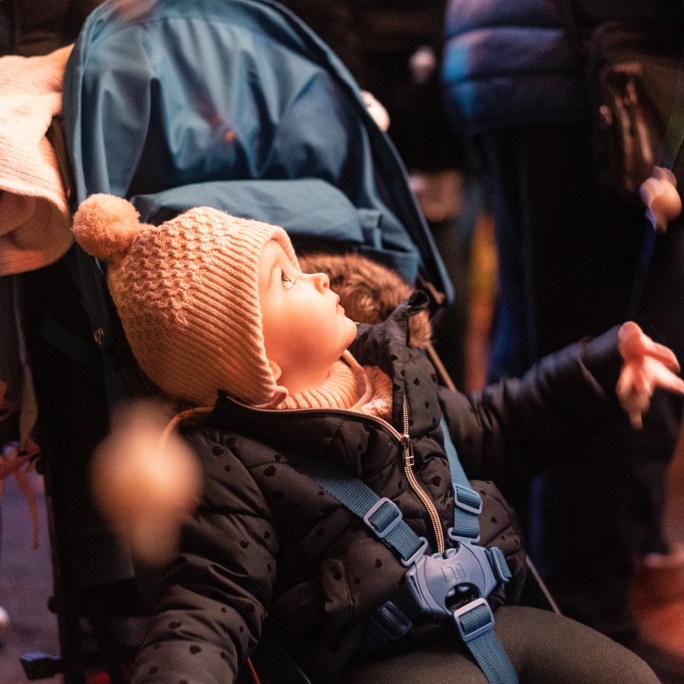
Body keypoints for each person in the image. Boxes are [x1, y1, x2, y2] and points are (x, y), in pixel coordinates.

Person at [69, 192, 684, 684]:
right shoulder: (231, 464)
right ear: (252, 357)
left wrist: (601, 366)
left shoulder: (397, 375)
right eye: (285, 281)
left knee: (625, 674)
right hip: (381, 657)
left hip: (493, 615)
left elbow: (500, 425)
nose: (315, 278)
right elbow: (211, 601)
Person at [442, 0, 684, 659]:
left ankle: (523, 613)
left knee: (535, 352)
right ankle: (587, 623)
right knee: (630, 357)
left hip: (501, 58)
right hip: (600, 60)